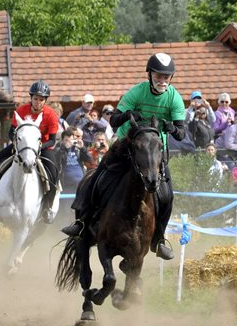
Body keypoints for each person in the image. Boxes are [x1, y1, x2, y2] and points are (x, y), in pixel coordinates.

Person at [61, 53, 186, 261]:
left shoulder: (174, 98)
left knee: (167, 195)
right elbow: (115, 121)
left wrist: (172, 127)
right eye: (159, 76)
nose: (162, 80)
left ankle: (159, 239)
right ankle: (82, 222)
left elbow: (181, 134)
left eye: (166, 77)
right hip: (127, 146)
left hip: (154, 152)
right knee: (98, 175)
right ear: (150, 74)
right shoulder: (137, 91)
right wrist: (129, 115)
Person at [0, 80, 60, 223]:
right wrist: (20, 144)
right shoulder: (21, 110)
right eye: (36, 99)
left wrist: (36, 148)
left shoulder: (50, 115)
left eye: (41, 99)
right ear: (31, 98)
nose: (38, 102)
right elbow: (11, 132)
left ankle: (47, 208)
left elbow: (52, 140)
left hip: (43, 147)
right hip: (21, 146)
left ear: (45, 101)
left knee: (54, 172)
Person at [56, 128, 92, 193]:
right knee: (66, 202)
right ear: (62, 140)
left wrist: (83, 148)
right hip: (66, 183)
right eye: (66, 140)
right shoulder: (59, 149)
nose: (69, 142)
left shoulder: (77, 149)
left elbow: (90, 159)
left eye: (71, 140)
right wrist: (64, 148)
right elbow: (57, 159)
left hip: (80, 182)